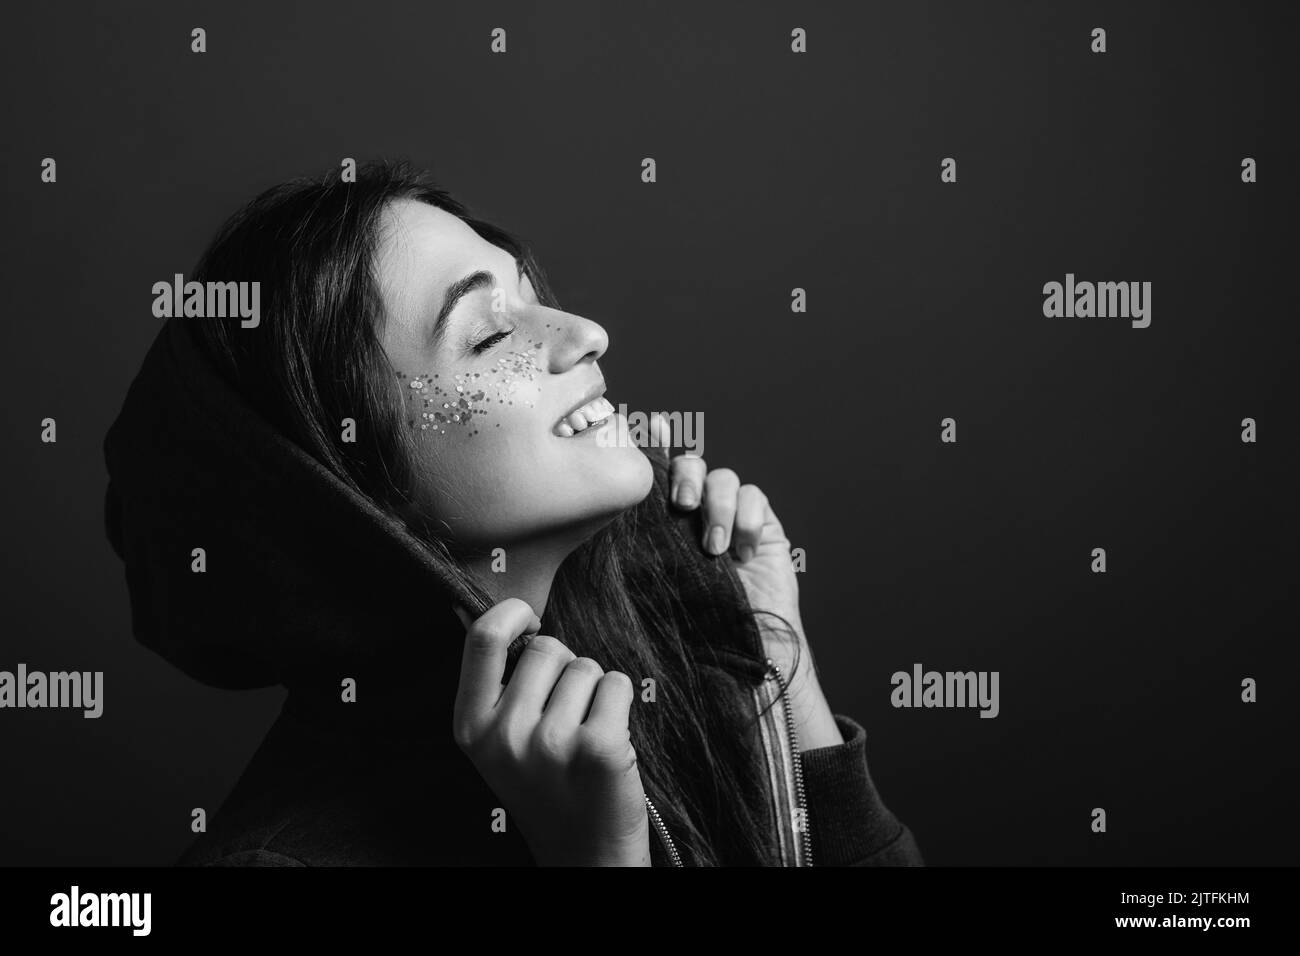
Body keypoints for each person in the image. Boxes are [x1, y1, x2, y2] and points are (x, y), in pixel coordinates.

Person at [103, 160, 924, 866]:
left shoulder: (667, 664)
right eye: (489, 336)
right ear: (345, 482)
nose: (586, 333)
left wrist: (779, 657)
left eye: (530, 295)